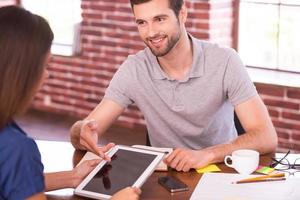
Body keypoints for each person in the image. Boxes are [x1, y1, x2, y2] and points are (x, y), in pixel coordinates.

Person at [70, 0, 278, 172]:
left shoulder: (225, 61)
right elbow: (87, 128)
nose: (151, 33)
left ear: (182, 14)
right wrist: (81, 131)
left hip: (221, 168)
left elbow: (266, 136)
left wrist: (207, 154)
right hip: (165, 176)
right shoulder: (134, 68)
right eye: (142, 23)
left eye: (159, 19)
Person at [0, 5, 141, 200]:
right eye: (45, 65)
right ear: (21, 72)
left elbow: (12, 178)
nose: (47, 74)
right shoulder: (17, 149)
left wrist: (72, 177)